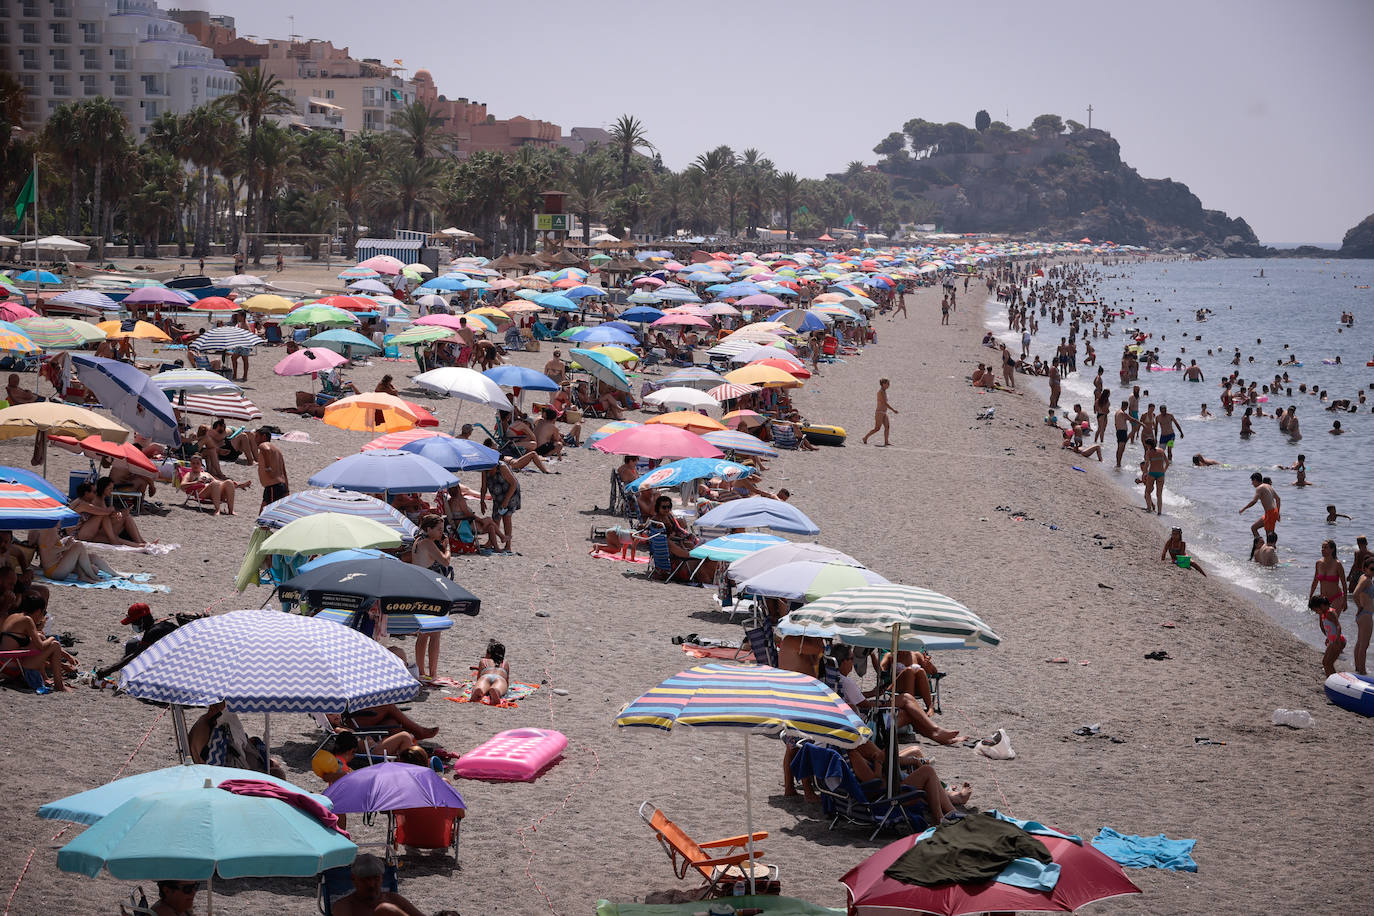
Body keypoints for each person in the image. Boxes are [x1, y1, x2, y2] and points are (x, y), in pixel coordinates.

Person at [409, 515, 450, 682]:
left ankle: (421, 671)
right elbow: (445, 561)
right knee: (435, 633)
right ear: (428, 529)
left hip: (420, 588)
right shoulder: (428, 543)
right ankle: (433, 673)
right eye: (439, 529)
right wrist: (448, 548)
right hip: (432, 591)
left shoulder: (418, 541)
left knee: (423, 633)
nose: (442, 532)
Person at [1, 596, 72, 692]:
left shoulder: (14, 616)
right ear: (38, 611)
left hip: (3, 661)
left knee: (40, 637)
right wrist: (52, 638)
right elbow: (41, 646)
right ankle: (59, 686)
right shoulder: (27, 620)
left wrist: (67, 655)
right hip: (11, 665)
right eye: (43, 613)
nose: (42, 616)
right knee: (55, 645)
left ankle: (44, 677)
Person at [649, 494, 717, 583]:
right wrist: (701, 554)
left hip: (672, 561)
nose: (667, 509)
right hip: (678, 569)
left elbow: (677, 530)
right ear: (658, 507)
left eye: (669, 507)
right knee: (708, 561)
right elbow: (685, 555)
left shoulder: (660, 536)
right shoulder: (667, 543)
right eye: (664, 507)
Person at [332, 854, 425, 916]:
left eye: (376, 878)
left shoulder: (394, 899)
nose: (371, 884)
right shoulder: (345, 906)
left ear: (382, 878)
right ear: (354, 879)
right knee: (385, 910)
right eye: (365, 879)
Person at [69, 480, 145, 546]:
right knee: (104, 518)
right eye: (94, 492)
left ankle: (140, 543)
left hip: (87, 531)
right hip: (78, 534)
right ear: (86, 493)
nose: (96, 494)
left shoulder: (89, 502)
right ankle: (114, 540)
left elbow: (106, 513)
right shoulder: (82, 504)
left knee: (125, 518)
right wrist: (114, 510)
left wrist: (118, 513)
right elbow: (105, 512)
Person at [177, 455, 248, 515]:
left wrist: (231, 483)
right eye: (193, 463)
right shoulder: (189, 474)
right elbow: (182, 485)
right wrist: (195, 482)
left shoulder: (206, 474)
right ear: (190, 464)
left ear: (201, 464)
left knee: (229, 482)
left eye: (197, 463)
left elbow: (218, 482)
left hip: (215, 491)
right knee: (215, 483)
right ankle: (217, 509)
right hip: (202, 493)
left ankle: (231, 510)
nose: (195, 465)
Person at [480, 461, 520, 552]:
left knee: (507, 518)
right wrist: (482, 501)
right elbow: (483, 487)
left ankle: (508, 545)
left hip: (510, 493)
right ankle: (491, 542)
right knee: (495, 518)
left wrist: (506, 500)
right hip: (497, 495)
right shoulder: (485, 469)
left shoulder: (502, 467)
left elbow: (513, 483)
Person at [1242, 472, 1280, 552]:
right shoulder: (1268, 486)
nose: (1252, 484)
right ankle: (1261, 548)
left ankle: (1271, 556)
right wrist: (1278, 513)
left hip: (1271, 513)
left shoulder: (1259, 488)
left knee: (1270, 539)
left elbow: (1254, 501)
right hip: (1271, 513)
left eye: (1252, 481)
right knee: (1254, 528)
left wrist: (1244, 508)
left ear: (1255, 480)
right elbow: (1278, 499)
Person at [1310, 539, 1347, 616]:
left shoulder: (1337, 564)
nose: (1323, 549)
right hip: (1323, 599)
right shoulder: (1318, 563)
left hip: (1336, 597)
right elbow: (1315, 582)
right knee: (1323, 625)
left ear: (1332, 549)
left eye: (1326, 547)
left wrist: (1345, 601)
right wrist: (1310, 597)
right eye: (1322, 547)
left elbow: (1344, 583)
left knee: (1331, 621)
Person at [1310, 595, 1344, 678]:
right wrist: (1328, 638)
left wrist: (1337, 639)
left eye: (1316, 610)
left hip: (1338, 641)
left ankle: (1335, 681)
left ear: (1322, 606)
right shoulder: (1324, 613)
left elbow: (1338, 626)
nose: (1316, 612)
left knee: (1329, 663)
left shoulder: (1330, 613)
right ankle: (1330, 680)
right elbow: (1331, 629)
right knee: (1325, 662)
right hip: (1332, 641)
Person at [1350, 555, 1373, 675]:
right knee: (1364, 645)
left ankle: (1358, 668)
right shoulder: (1366, 580)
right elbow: (1355, 594)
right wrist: (1360, 606)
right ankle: (1362, 671)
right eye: (1372, 569)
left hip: (1363, 615)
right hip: (1365, 615)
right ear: (1365, 569)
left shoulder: (1364, 577)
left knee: (1360, 642)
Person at [468, 639, 509, 704]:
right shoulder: (505, 663)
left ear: (489, 653)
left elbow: (479, 678)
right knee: (498, 689)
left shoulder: (484, 661)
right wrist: (505, 688)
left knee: (479, 687)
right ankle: (496, 690)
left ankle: (479, 690)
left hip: (485, 677)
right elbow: (506, 681)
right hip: (500, 678)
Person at [255, 427, 289, 507]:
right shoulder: (278, 451)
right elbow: (283, 471)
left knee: (266, 515)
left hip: (273, 487)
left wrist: (268, 467)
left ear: (264, 436)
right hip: (280, 486)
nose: (255, 439)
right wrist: (287, 489)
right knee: (263, 515)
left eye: (256, 436)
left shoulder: (264, 445)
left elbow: (265, 449)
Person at [861, 378, 899, 446]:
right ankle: (865, 437)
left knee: (887, 427)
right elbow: (885, 403)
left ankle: (886, 442)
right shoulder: (880, 392)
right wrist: (893, 410)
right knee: (877, 428)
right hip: (879, 412)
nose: (888, 385)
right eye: (887, 384)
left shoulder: (884, 391)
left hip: (884, 412)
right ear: (883, 384)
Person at [1141, 437, 1168, 515]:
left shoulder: (1149, 452)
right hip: (1161, 474)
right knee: (1159, 494)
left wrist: (1144, 474)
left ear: (1149, 445)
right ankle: (1159, 512)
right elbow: (1167, 463)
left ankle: (1149, 508)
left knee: (1147, 492)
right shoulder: (1162, 451)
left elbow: (1147, 464)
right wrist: (1164, 471)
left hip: (1152, 473)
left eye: (1147, 445)